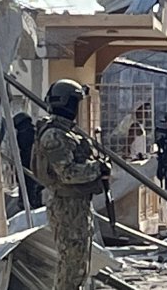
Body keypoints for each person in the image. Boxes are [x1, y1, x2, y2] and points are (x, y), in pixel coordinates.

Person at [32, 80, 110, 290]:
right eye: (76, 102)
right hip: (67, 206)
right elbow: (67, 173)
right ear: (69, 103)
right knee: (71, 268)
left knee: (78, 265)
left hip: (76, 205)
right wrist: (97, 169)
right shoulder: (54, 135)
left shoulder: (67, 133)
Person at [14, 111, 44, 210]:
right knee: (32, 186)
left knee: (29, 186)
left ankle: (29, 204)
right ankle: (32, 203)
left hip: (28, 162)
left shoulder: (26, 132)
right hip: (32, 162)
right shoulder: (32, 131)